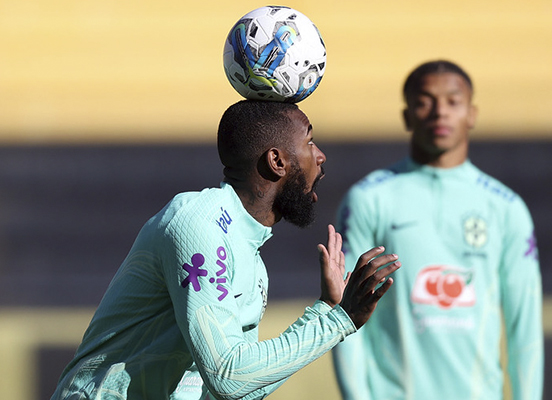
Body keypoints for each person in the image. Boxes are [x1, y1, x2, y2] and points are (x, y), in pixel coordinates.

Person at [51, 100, 401, 400]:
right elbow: (227, 375)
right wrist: (340, 321)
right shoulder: (197, 222)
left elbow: (240, 388)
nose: (321, 156)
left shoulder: (252, 260)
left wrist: (324, 311)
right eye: (310, 142)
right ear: (276, 161)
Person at [332, 60, 543, 400]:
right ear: (406, 116)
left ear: (472, 114)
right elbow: (343, 316)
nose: (439, 112)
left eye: (453, 101)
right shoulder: (369, 198)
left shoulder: (506, 208)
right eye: (425, 101)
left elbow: (525, 328)